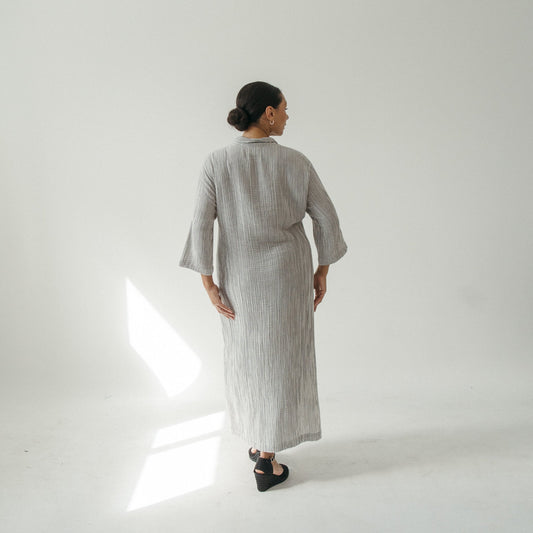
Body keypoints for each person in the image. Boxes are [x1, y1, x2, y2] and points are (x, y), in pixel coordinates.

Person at [179, 81, 348, 491]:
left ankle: (261, 441)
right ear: (268, 113)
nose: (288, 115)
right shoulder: (295, 162)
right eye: (284, 108)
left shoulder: (217, 162)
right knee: (283, 361)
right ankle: (267, 461)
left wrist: (208, 283)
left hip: (241, 280)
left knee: (250, 360)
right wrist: (322, 270)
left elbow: (201, 224)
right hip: (288, 277)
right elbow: (326, 217)